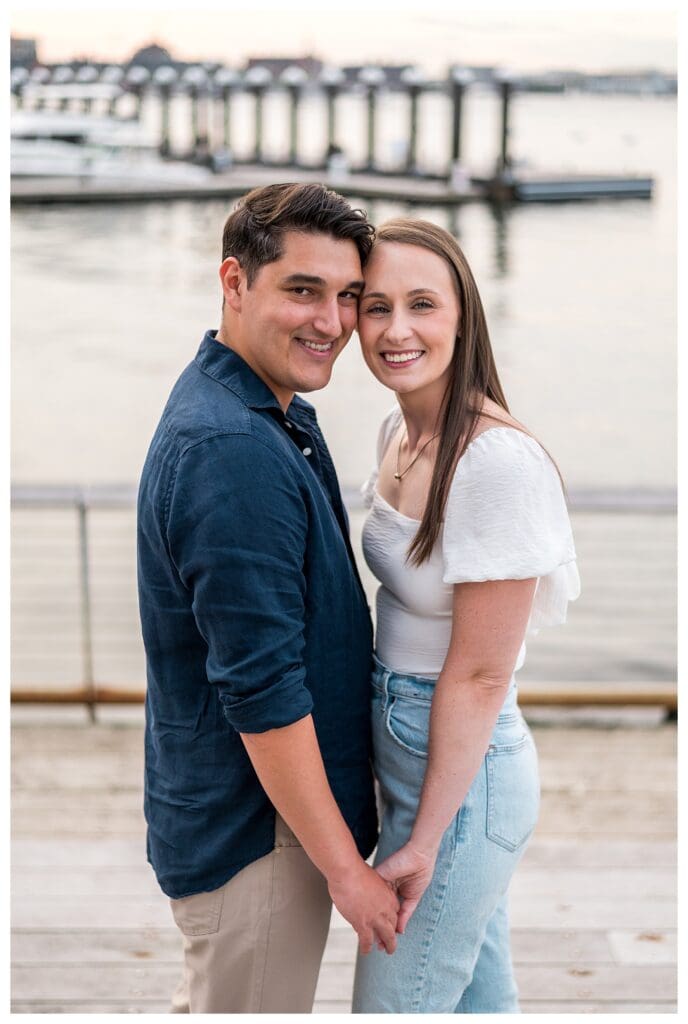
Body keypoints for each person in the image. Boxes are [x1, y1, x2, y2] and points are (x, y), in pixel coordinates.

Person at [136, 182, 399, 1015]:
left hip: (258, 821)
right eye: (303, 290)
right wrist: (346, 871)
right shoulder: (231, 448)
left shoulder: (264, 410)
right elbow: (263, 692)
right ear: (234, 282)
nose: (332, 321)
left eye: (348, 296)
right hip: (263, 838)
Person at [352, 218, 580, 1013]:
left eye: (422, 304)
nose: (396, 329)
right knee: (481, 1004)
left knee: (394, 1005)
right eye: (375, 306)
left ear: (463, 317)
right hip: (408, 754)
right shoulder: (396, 431)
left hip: (463, 779)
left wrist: (423, 840)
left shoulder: (493, 462)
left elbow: (481, 674)